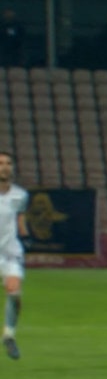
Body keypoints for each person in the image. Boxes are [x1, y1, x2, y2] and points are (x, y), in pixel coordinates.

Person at [0, 151, 29, 360]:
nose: (5, 166)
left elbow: (20, 220)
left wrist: (25, 236)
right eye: (1, 163)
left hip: (10, 252)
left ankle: (9, 335)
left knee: (15, 293)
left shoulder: (20, 195)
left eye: (8, 163)